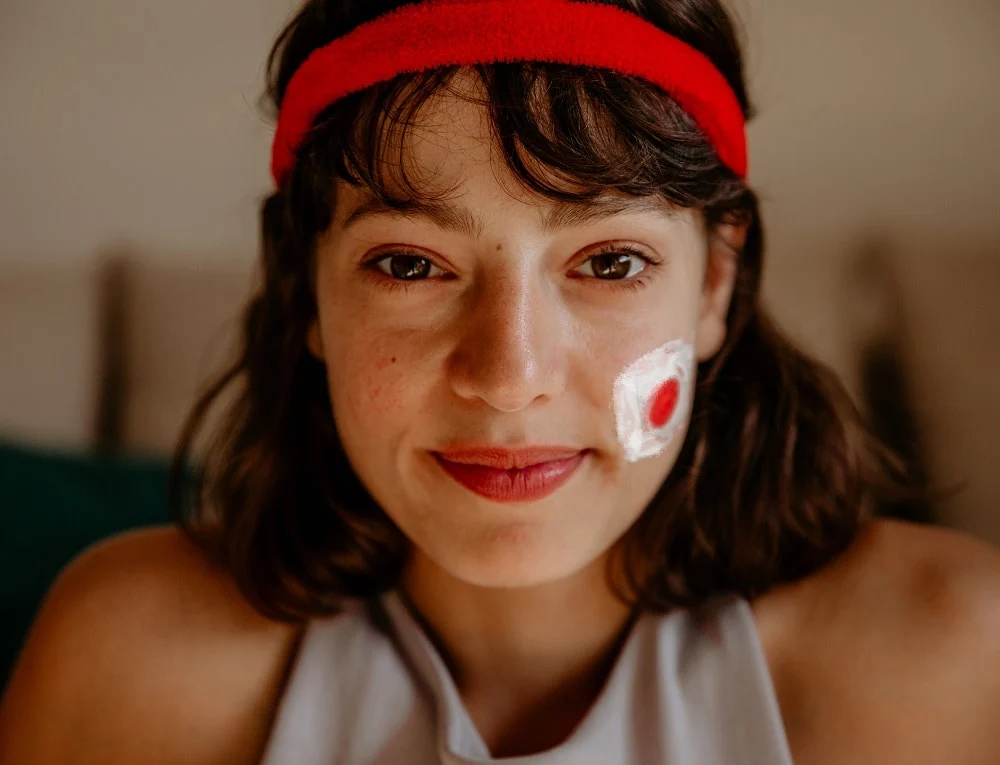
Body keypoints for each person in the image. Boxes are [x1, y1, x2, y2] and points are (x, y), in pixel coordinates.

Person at [2, 1, 999, 762]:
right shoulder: (127, 663)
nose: (508, 377)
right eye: (408, 264)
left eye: (608, 263)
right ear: (306, 287)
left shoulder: (945, 655)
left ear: (717, 284)